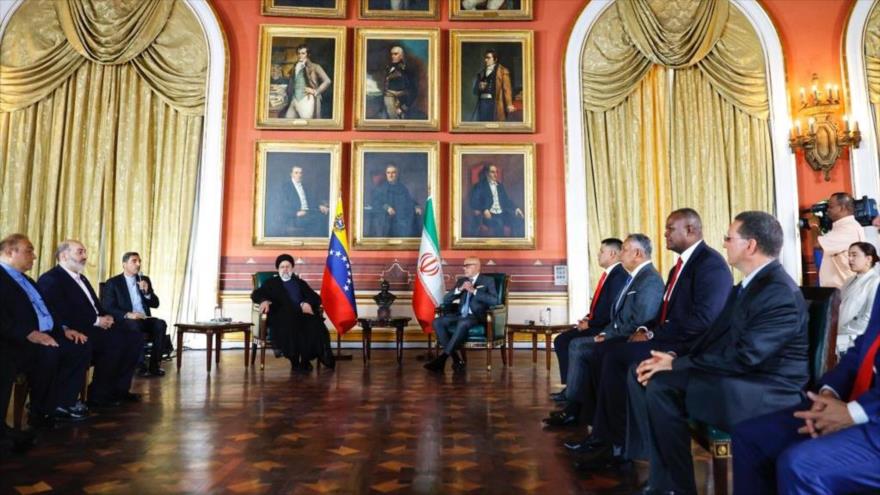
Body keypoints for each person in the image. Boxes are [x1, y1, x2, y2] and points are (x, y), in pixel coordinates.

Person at [626, 211, 809, 495]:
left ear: (750, 245)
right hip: (744, 377)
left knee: (661, 386)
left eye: (729, 238)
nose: (724, 244)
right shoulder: (749, 286)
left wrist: (677, 367)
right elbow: (712, 338)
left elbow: (746, 356)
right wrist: (672, 359)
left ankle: (673, 487)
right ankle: (669, 484)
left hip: (769, 390)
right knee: (655, 379)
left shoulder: (778, 292)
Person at [568, 209, 732, 470]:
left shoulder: (709, 264)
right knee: (604, 352)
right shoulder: (678, 267)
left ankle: (618, 447)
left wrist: (654, 335)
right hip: (667, 338)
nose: (664, 234)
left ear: (690, 230)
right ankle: (605, 438)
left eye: (670, 229)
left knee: (615, 357)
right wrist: (646, 328)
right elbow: (663, 314)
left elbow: (702, 320)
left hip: (684, 346)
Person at [732, 290, 880, 495]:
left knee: (801, 466)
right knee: (750, 437)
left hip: (872, 420)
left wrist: (852, 413)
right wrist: (829, 394)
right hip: (859, 403)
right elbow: (865, 348)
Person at [543, 233, 664, 427]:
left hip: (628, 339)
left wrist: (607, 334)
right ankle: (579, 409)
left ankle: (576, 408)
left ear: (638, 253)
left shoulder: (649, 279)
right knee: (579, 345)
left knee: (580, 346)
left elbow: (640, 322)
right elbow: (618, 315)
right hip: (615, 333)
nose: (621, 254)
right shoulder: (635, 277)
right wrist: (605, 332)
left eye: (624, 250)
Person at [0, 234, 91, 433]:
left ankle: (61, 403)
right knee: (49, 353)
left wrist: (65, 329)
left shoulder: (27, 280)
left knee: (78, 346)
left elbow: (47, 311)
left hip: (47, 333)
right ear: (9, 252)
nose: (34, 256)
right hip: (15, 341)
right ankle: (40, 411)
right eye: (29, 251)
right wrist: (29, 333)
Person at [38, 240, 144, 408]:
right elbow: (58, 312)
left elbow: (95, 306)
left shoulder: (82, 278)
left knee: (134, 338)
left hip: (95, 324)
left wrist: (106, 316)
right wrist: (96, 321)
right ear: (64, 255)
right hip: (76, 328)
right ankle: (98, 396)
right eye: (80, 252)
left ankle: (119, 389)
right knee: (114, 342)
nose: (85, 256)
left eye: (85, 252)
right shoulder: (51, 279)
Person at [551, 238, 628, 401]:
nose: (598, 255)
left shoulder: (618, 275)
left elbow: (610, 310)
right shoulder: (611, 274)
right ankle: (571, 387)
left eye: (601, 251)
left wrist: (590, 324)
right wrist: (587, 318)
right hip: (597, 323)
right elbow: (601, 305)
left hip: (605, 327)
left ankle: (573, 390)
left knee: (564, 340)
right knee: (562, 340)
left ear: (613, 254)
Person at [251, 254, 335, 373]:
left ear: (292, 268)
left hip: (301, 314)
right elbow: (256, 294)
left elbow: (315, 297)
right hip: (281, 316)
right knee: (292, 324)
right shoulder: (271, 283)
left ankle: (307, 360)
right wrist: (263, 300)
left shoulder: (300, 283)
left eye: (288, 266)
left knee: (315, 324)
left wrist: (306, 303)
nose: (285, 269)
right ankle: (295, 362)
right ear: (278, 269)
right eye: (282, 267)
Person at [426, 257, 498, 373]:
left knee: (463, 322)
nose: (464, 268)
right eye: (463, 266)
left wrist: (474, 291)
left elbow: (495, 301)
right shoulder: (461, 281)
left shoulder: (488, 281)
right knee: (437, 322)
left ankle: (443, 358)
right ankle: (456, 359)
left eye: (467, 266)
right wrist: (459, 289)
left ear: (476, 267)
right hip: (460, 314)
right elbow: (446, 299)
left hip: (476, 317)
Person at [102, 252, 168, 377]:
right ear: (124, 264)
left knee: (160, 324)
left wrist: (147, 292)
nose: (138, 264)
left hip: (144, 318)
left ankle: (155, 366)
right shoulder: (113, 282)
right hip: (127, 320)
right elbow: (107, 307)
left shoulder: (144, 280)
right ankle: (140, 366)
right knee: (134, 326)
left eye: (139, 261)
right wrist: (128, 314)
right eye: (134, 261)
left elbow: (155, 303)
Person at [810, 192, 866, 288]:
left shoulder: (849, 228)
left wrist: (814, 226)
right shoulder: (841, 227)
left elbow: (817, 244)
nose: (827, 210)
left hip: (844, 290)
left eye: (830, 207)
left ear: (842, 208)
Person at [836, 242, 880, 354]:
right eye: (849, 255)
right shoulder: (848, 281)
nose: (850, 259)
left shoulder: (875, 282)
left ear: (868, 259)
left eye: (854, 255)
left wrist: (844, 331)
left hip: (857, 339)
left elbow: (869, 316)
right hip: (840, 336)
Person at [271, 165, 330, 237]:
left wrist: (320, 206)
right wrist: (296, 213)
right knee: (319, 219)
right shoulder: (285, 187)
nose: (299, 175)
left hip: (309, 212)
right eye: (296, 173)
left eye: (300, 173)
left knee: (325, 215)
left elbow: (311, 202)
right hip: (295, 217)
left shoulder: (305, 186)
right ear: (291, 174)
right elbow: (280, 207)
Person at [468, 163, 524, 237]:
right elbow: (473, 201)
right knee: (499, 224)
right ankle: (501, 247)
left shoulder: (499, 185)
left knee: (518, 220)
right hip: (488, 215)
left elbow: (506, 200)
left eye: (496, 172)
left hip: (502, 213)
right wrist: (484, 209)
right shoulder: (479, 186)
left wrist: (516, 208)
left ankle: (517, 245)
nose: (496, 174)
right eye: (492, 172)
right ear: (487, 173)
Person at [370, 164, 422, 237]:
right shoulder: (381, 189)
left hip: (400, 222)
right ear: (386, 174)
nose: (390, 175)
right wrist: (387, 207)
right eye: (388, 173)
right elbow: (375, 202)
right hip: (386, 223)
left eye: (393, 172)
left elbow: (409, 201)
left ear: (397, 174)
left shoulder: (402, 188)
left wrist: (416, 206)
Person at [282, 44, 331, 120]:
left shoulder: (315, 67)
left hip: (307, 99)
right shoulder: (295, 66)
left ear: (308, 54)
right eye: (298, 53)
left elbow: (327, 81)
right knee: (287, 122)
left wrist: (315, 91)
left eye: (303, 53)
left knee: (307, 124)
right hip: (295, 99)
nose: (300, 55)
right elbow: (292, 81)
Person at [472, 49, 515, 122]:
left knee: (494, 123)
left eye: (488, 58)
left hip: (495, 103)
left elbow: (507, 89)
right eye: (485, 58)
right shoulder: (481, 72)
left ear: (495, 59)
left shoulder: (503, 71)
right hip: (482, 103)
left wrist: (509, 104)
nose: (486, 60)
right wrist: (480, 87)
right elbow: (475, 91)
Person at [382, 45, 418, 119]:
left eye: (395, 54)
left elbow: (413, 89)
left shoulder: (407, 69)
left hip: (402, 99)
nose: (392, 56)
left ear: (401, 56)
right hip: (388, 98)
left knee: (400, 120)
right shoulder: (388, 67)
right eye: (391, 54)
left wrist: (405, 106)